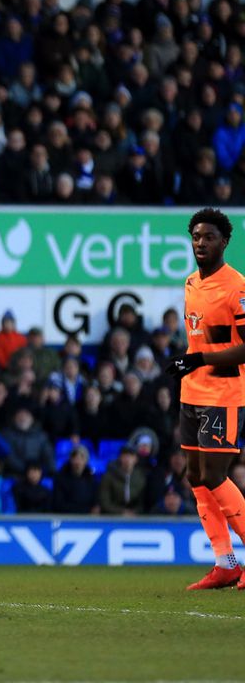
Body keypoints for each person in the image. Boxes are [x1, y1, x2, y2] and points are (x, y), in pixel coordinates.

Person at [164, 208, 245, 590]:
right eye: (196, 236)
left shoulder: (237, 287)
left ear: (224, 241)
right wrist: (188, 362)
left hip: (224, 393)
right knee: (195, 475)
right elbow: (202, 337)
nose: (200, 243)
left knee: (215, 474)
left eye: (208, 237)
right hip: (192, 392)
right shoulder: (190, 283)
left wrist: (198, 358)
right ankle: (225, 562)